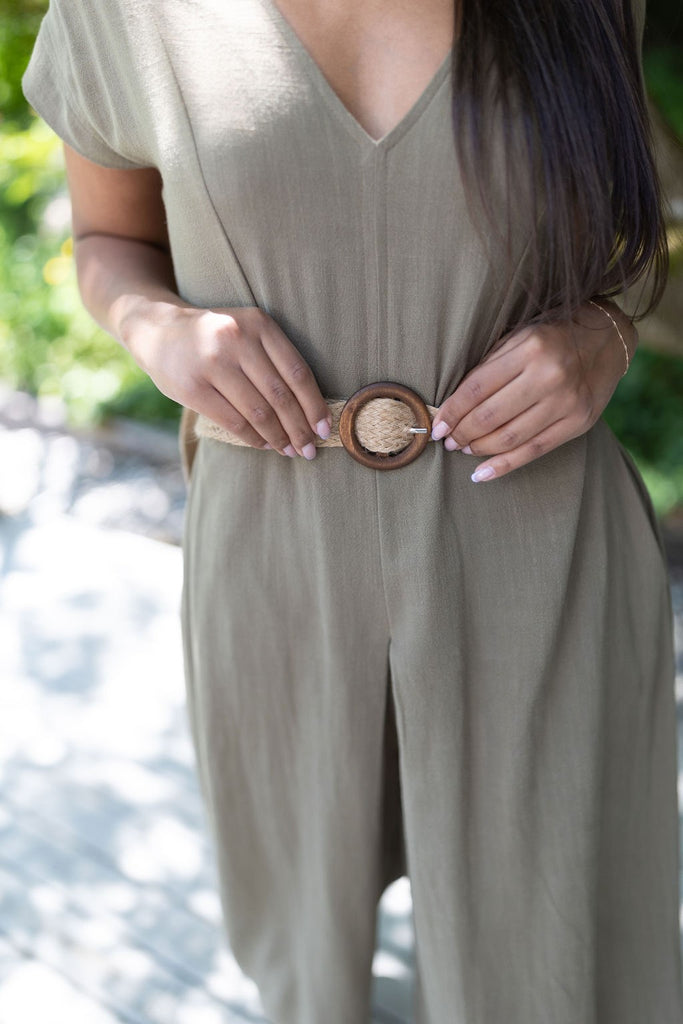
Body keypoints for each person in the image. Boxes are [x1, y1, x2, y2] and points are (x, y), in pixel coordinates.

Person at [22, 1, 683, 1022]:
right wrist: (157, 331)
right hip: (273, 555)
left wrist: (601, 331)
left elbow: (631, 240)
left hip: (536, 549)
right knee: (302, 953)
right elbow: (110, 237)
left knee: (548, 965)